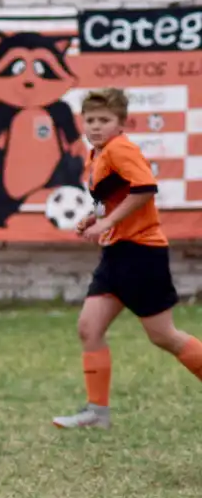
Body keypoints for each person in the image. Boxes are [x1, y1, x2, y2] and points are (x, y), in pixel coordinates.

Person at [54, 88, 202, 429]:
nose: (95, 126)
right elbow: (114, 196)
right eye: (90, 120)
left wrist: (107, 221)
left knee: (164, 335)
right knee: (89, 328)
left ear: (121, 123)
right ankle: (96, 414)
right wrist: (96, 217)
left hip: (141, 253)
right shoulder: (97, 154)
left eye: (104, 120)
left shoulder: (122, 149)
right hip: (115, 254)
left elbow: (145, 188)